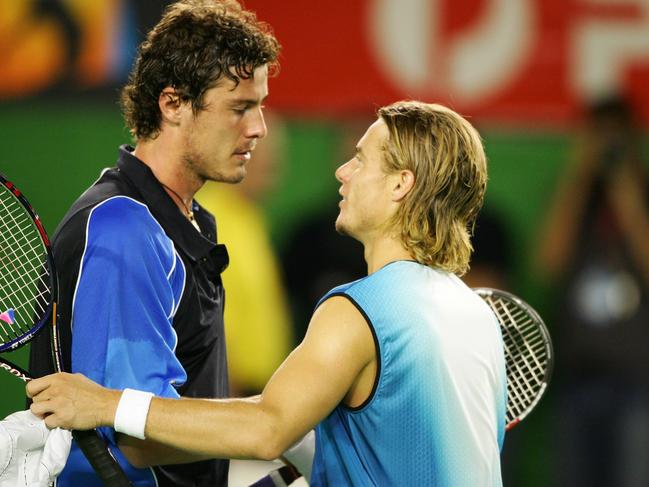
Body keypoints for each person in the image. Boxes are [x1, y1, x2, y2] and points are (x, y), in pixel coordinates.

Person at [28, 100, 507, 486]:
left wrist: (107, 405)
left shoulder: (357, 311)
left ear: (402, 184)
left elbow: (267, 427)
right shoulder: (478, 314)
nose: (343, 172)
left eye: (361, 160)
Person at [26, 0, 280, 485]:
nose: (258, 128)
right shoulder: (125, 231)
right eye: (240, 108)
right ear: (173, 104)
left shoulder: (190, 220)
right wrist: (280, 425)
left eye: (260, 106)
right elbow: (138, 440)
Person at [536, 94, 649, 487]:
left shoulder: (642, 193)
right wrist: (580, 174)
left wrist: (626, 191)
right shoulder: (576, 197)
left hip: (637, 379)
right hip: (578, 374)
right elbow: (548, 263)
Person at [196, 113, 293, 397]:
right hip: (229, 392)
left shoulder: (252, 218)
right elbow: (209, 312)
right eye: (265, 158)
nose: (274, 168)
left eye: (276, 159)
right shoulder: (208, 218)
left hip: (259, 392)